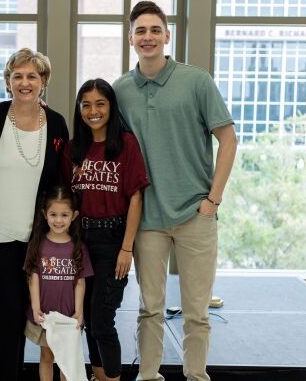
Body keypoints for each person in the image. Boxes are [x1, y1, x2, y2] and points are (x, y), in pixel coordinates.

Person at [113, 2, 238, 381]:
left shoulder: (196, 81)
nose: (148, 37)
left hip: (194, 215)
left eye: (155, 30)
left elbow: (228, 140)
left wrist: (212, 200)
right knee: (150, 308)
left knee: (197, 311)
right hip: (148, 219)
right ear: (131, 38)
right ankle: (147, 375)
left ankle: (196, 375)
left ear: (167, 36)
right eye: (140, 31)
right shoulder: (120, 90)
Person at [0, 48, 69, 380]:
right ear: (8, 81)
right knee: (8, 315)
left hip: (40, 242)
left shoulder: (56, 124)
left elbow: (62, 182)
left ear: (43, 81)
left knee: (42, 318)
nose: (25, 82)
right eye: (18, 76)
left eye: (32, 76)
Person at [62, 79, 149, 381]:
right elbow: (65, 200)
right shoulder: (74, 150)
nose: (93, 111)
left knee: (102, 321)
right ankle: (99, 376)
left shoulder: (125, 144)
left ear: (111, 106)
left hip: (113, 242)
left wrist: (127, 248)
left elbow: (136, 197)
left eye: (100, 103)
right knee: (85, 318)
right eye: (86, 104)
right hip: (79, 242)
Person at [23, 185, 94, 381]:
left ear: (74, 215)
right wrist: (36, 307)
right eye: (53, 214)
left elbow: (80, 282)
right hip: (45, 316)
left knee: (66, 360)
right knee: (47, 356)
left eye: (64, 215)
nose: (58, 220)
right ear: (45, 214)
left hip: (68, 318)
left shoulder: (78, 247)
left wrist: (79, 312)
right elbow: (33, 276)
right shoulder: (38, 244)